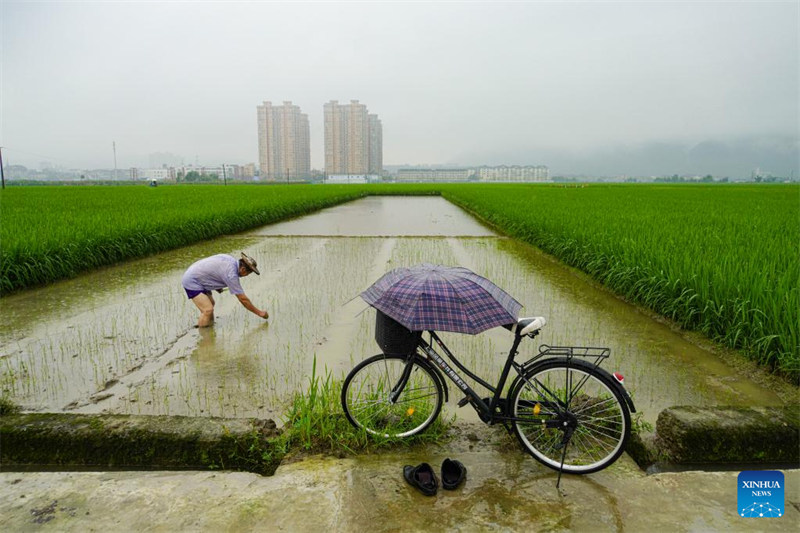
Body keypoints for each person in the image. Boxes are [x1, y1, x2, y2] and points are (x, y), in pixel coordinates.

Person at [181, 252, 269, 327]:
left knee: (211, 303)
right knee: (207, 310)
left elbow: (214, 270)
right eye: (248, 274)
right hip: (192, 281)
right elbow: (243, 300)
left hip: (197, 275)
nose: (246, 276)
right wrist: (260, 313)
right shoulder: (232, 275)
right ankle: (204, 335)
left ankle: (209, 326)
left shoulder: (230, 259)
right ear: (243, 269)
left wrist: (217, 287)